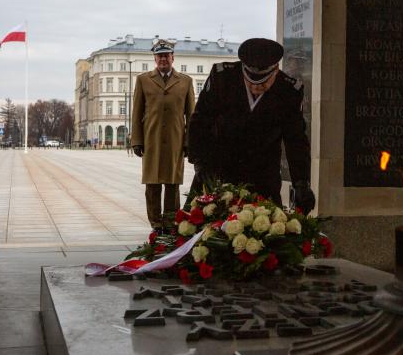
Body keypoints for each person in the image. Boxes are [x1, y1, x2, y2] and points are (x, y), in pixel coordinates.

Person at [187, 38, 316, 213]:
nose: (256, 87)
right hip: (219, 170)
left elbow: (296, 140)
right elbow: (200, 122)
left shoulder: (288, 91)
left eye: (263, 83)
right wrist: (200, 162)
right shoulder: (222, 78)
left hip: (263, 177)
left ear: (275, 70)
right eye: (251, 81)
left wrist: (301, 183)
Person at [131, 39, 195, 232]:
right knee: (152, 185)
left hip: (175, 140)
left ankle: (170, 222)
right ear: (155, 58)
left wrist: (189, 142)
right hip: (152, 139)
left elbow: (191, 115)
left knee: (172, 184)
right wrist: (137, 140)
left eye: (166, 55)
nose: (163, 59)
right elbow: (137, 113)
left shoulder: (185, 81)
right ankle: (156, 224)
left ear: (173, 57)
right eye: (160, 56)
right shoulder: (143, 80)